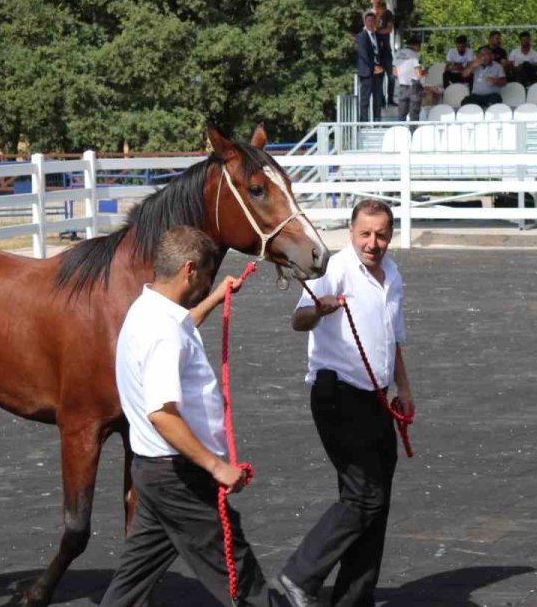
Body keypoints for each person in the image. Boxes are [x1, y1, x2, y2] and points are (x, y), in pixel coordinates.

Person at [100, 226, 282, 607]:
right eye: (206, 275)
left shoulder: (147, 308)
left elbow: (183, 327)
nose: (206, 281)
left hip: (154, 473)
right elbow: (161, 415)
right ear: (189, 270)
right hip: (179, 476)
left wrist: (215, 299)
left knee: (134, 580)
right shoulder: (162, 332)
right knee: (241, 575)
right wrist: (216, 467)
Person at [279, 199, 414, 607]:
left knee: (377, 504)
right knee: (364, 497)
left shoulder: (393, 274)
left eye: (381, 234)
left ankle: (354, 600)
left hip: (376, 398)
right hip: (337, 394)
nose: (373, 243)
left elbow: (394, 339)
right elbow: (298, 319)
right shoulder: (336, 268)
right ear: (352, 233)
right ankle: (300, 574)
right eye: (365, 234)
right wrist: (320, 308)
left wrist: (403, 389)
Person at [355, 12, 385, 122]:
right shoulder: (361, 36)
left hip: (378, 72)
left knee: (377, 98)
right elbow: (363, 54)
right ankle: (363, 122)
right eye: (368, 21)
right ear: (364, 22)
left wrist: (381, 67)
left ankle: (377, 121)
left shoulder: (378, 36)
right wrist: (374, 67)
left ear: (375, 22)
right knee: (365, 99)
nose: (370, 23)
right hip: (367, 71)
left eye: (372, 21)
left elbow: (382, 53)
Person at [369, 0, 396, 107]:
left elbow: (389, 29)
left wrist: (378, 31)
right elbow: (371, 29)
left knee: (391, 75)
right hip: (375, 50)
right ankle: (381, 99)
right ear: (371, 0)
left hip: (386, 48)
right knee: (378, 76)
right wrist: (378, 15)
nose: (378, 0)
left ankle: (390, 98)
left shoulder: (388, 13)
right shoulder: (368, 14)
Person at [392, 35, 426, 122]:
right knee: (414, 115)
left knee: (401, 115)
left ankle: (401, 132)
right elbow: (418, 74)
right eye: (419, 46)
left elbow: (394, 72)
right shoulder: (414, 55)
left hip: (402, 86)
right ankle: (413, 134)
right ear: (416, 45)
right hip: (414, 86)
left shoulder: (397, 54)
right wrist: (424, 73)